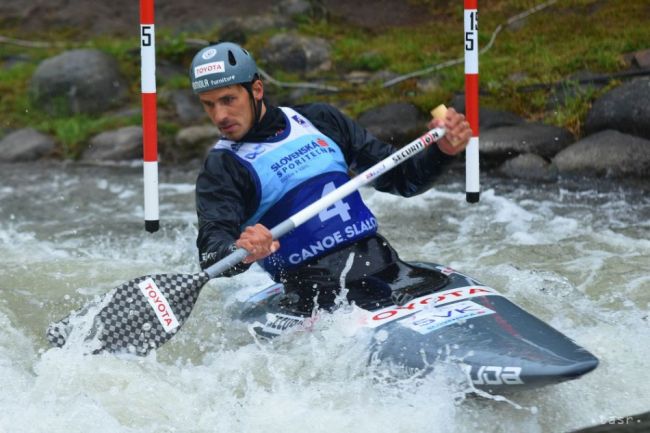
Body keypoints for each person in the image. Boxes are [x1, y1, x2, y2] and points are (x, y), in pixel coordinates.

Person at [191, 41, 472, 313]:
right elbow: (211, 251)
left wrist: (442, 152)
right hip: (316, 299)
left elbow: (402, 179)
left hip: (387, 267)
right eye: (209, 104)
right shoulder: (223, 167)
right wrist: (242, 249)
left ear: (257, 89)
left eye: (228, 100)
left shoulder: (319, 120)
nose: (220, 116)